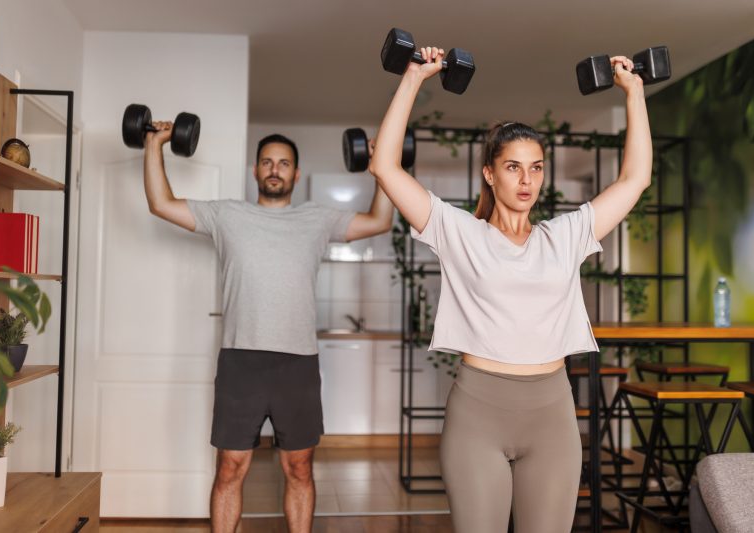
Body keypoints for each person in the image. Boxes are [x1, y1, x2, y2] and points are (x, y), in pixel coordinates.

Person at [369, 47, 651, 532]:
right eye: (514, 167)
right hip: (478, 412)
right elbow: (386, 168)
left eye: (536, 167)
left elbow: (635, 179)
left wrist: (635, 93)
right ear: (490, 173)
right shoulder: (459, 232)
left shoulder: (565, 236)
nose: (527, 179)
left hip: (551, 413)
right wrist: (414, 78)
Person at [142, 130, 394, 533]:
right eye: (267, 162)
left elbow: (380, 220)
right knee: (230, 467)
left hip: (297, 363)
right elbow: (160, 204)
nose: (274, 170)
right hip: (240, 361)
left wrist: (383, 168)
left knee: (299, 467)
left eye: (284, 163)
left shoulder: (318, 217)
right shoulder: (226, 215)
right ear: (256, 171)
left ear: (296, 175)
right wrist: (153, 145)